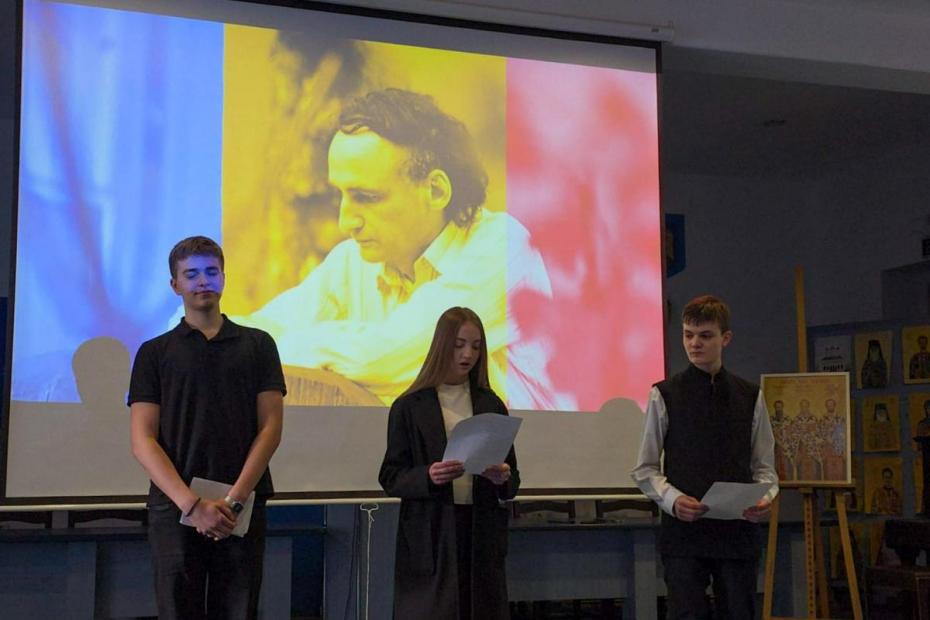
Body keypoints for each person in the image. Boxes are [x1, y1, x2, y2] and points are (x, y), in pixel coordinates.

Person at [238, 88, 561, 410]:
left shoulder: (502, 245)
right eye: (340, 195)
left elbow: (384, 359)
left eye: (366, 197)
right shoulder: (352, 261)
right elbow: (250, 335)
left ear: (435, 191)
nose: (345, 222)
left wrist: (303, 341)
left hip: (530, 443)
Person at [128, 236, 286, 620]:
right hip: (174, 507)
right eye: (192, 274)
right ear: (175, 285)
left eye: (211, 272)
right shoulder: (154, 353)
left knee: (238, 610)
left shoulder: (259, 345)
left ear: (224, 279)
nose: (203, 281)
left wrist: (233, 502)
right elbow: (142, 439)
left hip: (241, 505)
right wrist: (193, 506)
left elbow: (270, 427)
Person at [631, 294, 779, 620]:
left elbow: (765, 468)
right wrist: (673, 500)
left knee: (739, 612)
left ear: (726, 338)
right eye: (688, 335)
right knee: (687, 613)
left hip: (737, 531)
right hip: (685, 533)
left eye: (705, 335)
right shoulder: (664, 394)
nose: (694, 343)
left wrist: (764, 498)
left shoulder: (750, 396)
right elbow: (645, 468)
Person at [379, 307, 519, 620]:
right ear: (442, 345)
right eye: (459, 345)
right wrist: (429, 475)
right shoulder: (409, 405)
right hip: (432, 532)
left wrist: (503, 478)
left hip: (480, 530)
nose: (467, 354)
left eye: (476, 346)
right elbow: (390, 476)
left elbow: (513, 478)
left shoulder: (491, 403)